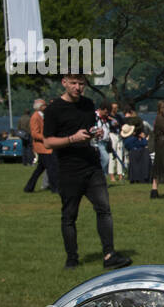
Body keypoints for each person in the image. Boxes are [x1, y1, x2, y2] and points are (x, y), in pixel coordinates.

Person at [42, 72, 131, 270]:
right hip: (68, 168)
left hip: (91, 165)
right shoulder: (54, 109)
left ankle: (109, 255)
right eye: (73, 83)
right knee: (69, 216)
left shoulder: (88, 104)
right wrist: (72, 139)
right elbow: (48, 141)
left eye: (81, 84)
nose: (77, 87)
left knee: (104, 209)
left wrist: (94, 133)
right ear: (64, 83)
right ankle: (72, 259)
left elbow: (88, 129)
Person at [23, 99, 59, 194]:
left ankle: (29, 187)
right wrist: (46, 138)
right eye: (44, 105)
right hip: (42, 147)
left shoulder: (42, 116)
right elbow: (34, 133)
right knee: (51, 167)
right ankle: (55, 188)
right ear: (40, 106)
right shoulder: (35, 117)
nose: (46, 106)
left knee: (40, 169)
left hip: (45, 146)